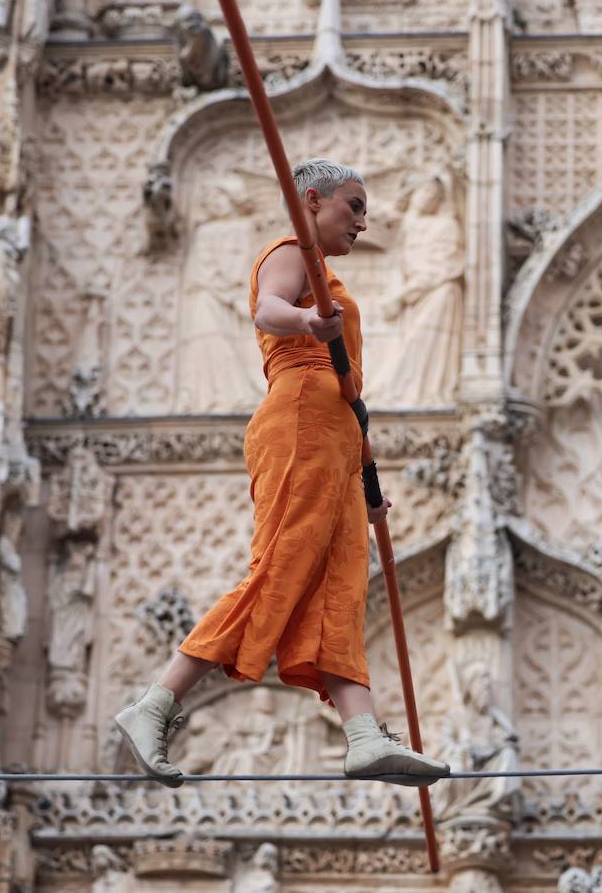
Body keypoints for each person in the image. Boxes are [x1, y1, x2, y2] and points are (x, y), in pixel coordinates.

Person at [114, 158, 448, 788]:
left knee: (339, 592)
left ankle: (362, 736)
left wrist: (370, 484)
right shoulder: (291, 252)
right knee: (281, 566)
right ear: (314, 201)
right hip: (297, 420)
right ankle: (155, 702)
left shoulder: (328, 278)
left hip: (337, 438)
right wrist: (306, 322)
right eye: (354, 205)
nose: (364, 220)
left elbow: (353, 397)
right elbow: (268, 309)